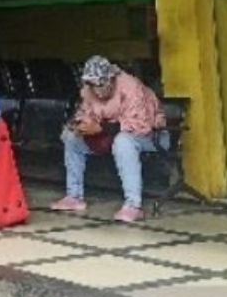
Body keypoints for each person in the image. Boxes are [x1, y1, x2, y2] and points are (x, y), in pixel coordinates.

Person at [50, 55, 167, 223]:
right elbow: (85, 112)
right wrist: (77, 124)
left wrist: (101, 128)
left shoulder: (131, 88)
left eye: (101, 84)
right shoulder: (88, 90)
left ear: (111, 78)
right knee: (72, 138)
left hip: (152, 136)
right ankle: (74, 196)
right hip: (111, 134)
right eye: (93, 85)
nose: (98, 91)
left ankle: (133, 205)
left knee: (124, 142)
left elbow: (140, 124)